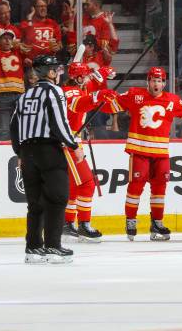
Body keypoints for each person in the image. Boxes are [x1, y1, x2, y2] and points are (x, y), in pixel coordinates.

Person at [102, 67, 182, 241]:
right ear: (148, 81)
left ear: (164, 83)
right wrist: (102, 96)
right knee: (136, 186)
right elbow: (110, 105)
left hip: (161, 153)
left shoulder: (172, 101)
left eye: (160, 81)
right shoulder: (134, 95)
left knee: (160, 189)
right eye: (154, 80)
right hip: (139, 151)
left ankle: (157, 223)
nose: (157, 84)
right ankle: (131, 220)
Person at [9, 55, 82, 264]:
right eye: (56, 70)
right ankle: (52, 246)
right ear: (48, 72)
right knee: (57, 198)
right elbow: (59, 122)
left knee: (35, 203)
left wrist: (20, 153)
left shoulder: (24, 96)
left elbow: (14, 127)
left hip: (27, 153)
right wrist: (73, 145)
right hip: (49, 151)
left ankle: (33, 248)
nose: (59, 73)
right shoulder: (54, 92)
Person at [61, 62, 116, 242]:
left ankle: (67, 224)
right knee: (87, 184)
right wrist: (98, 96)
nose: (86, 79)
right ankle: (84, 224)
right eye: (84, 76)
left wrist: (101, 73)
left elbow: (90, 85)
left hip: (70, 142)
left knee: (74, 187)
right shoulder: (72, 93)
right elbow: (80, 103)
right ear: (77, 78)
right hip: (69, 143)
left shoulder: (76, 86)